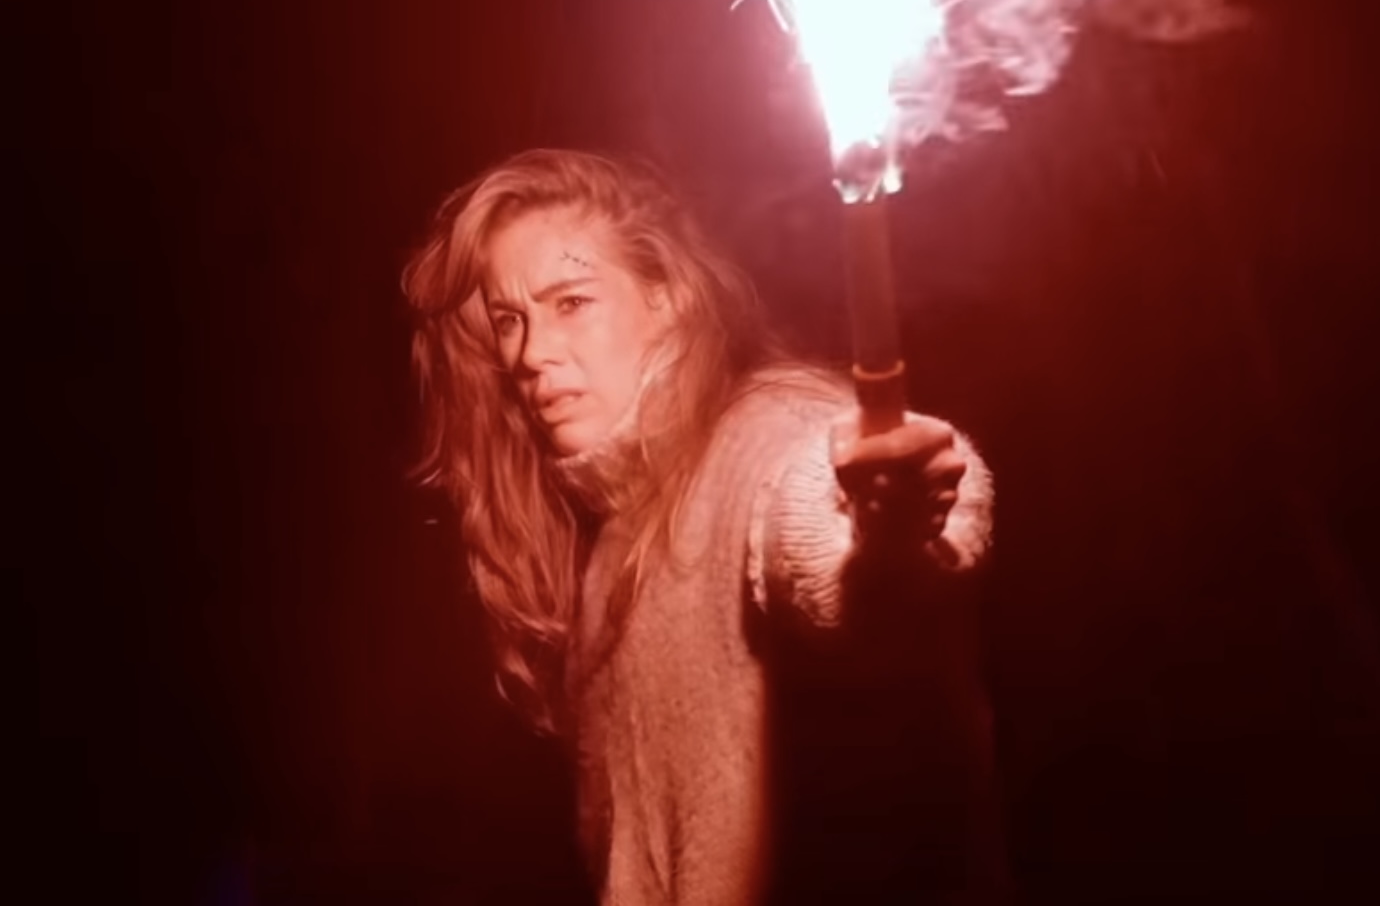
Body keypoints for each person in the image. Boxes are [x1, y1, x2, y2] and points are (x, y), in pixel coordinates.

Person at [404, 148, 1004, 905]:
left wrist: (884, 531)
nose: (531, 353)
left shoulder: (764, 429)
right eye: (509, 321)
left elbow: (815, 509)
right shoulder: (618, 533)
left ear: (667, 296)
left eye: (572, 302)